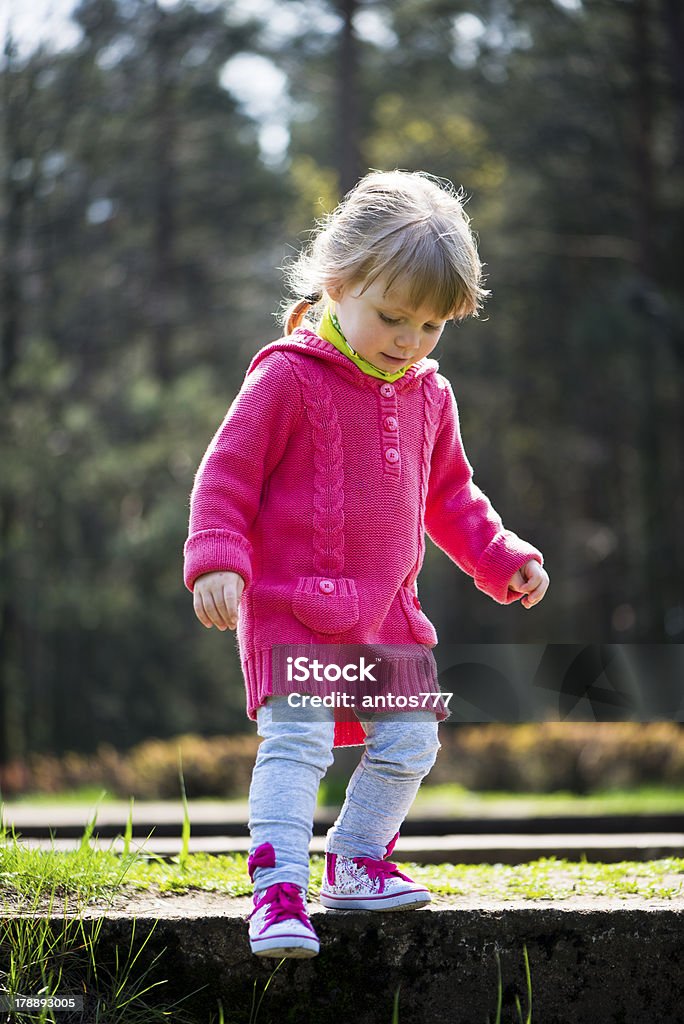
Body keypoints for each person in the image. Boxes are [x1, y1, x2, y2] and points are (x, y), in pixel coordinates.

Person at [183, 169, 549, 959]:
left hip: (389, 616)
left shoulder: (430, 395)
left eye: (431, 326)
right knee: (300, 743)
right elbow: (226, 475)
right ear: (337, 283)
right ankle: (277, 890)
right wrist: (217, 559)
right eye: (392, 317)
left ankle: (355, 861)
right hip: (297, 607)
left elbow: (451, 496)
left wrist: (500, 555)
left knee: (412, 740)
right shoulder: (286, 376)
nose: (410, 340)